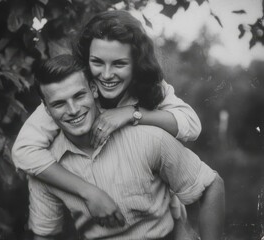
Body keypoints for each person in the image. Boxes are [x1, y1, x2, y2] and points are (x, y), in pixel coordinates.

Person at [12, 10, 202, 225]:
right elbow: (23, 152)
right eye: (97, 62)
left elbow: (191, 125)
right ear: (86, 60)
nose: (107, 74)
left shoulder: (150, 88)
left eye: (119, 64)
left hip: (160, 208)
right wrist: (89, 192)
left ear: (136, 63)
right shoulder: (72, 96)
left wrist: (132, 113)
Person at [29, 54, 225, 240]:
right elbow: (45, 235)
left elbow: (212, 185)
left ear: (94, 89)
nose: (73, 110)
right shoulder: (45, 168)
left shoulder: (148, 138)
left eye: (79, 96)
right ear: (46, 109)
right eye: (59, 104)